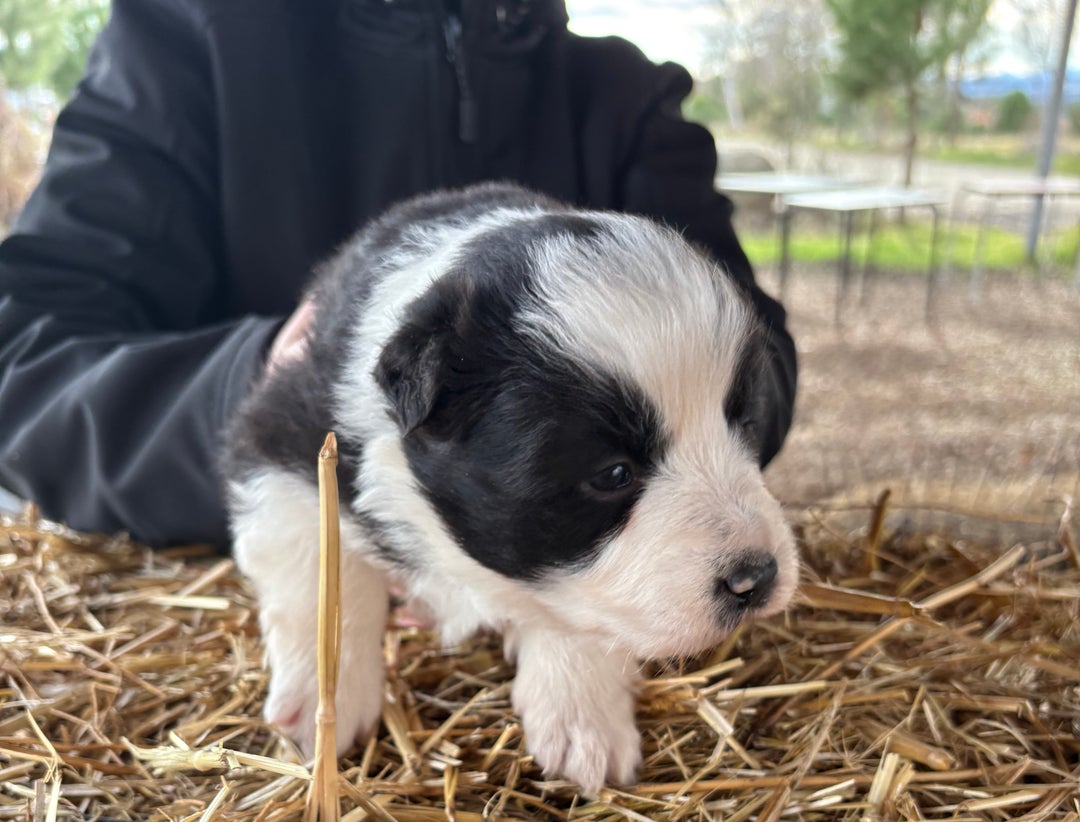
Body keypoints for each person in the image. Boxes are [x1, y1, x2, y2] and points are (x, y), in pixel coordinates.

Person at [0, 0, 797, 552]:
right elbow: (22, 371)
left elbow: (765, 364)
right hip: (255, 606)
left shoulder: (623, 99)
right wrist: (268, 393)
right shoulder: (185, 45)